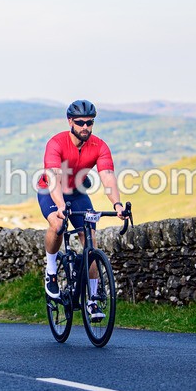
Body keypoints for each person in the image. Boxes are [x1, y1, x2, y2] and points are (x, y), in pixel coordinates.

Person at [37, 100, 127, 321]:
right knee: (58, 224)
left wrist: (117, 205)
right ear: (70, 121)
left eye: (90, 123)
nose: (85, 127)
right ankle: (50, 271)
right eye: (80, 122)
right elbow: (54, 180)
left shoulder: (99, 146)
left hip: (77, 192)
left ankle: (92, 300)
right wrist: (60, 207)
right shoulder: (56, 143)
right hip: (50, 190)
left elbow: (107, 177)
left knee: (90, 242)